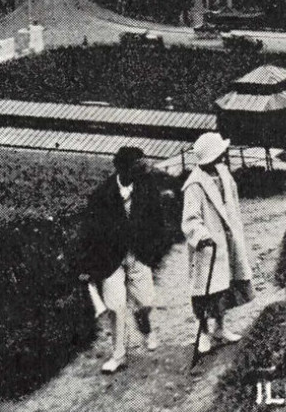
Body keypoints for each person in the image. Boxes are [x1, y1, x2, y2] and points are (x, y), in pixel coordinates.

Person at [73, 146, 173, 374]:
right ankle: (118, 355)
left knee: (145, 302)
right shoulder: (101, 195)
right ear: (123, 168)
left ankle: (146, 329)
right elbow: (89, 231)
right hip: (111, 259)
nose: (144, 169)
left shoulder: (147, 189)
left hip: (138, 254)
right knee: (115, 307)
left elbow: (158, 223)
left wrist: (153, 252)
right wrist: (87, 265)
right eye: (138, 166)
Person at [182, 132, 254, 356]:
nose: (224, 155)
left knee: (226, 283)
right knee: (205, 289)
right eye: (220, 153)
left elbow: (231, 200)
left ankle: (221, 328)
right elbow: (190, 218)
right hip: (208, 244)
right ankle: (204, 331)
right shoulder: (194, 185)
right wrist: (201, 234)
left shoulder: (224, 173)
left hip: (227, 238)